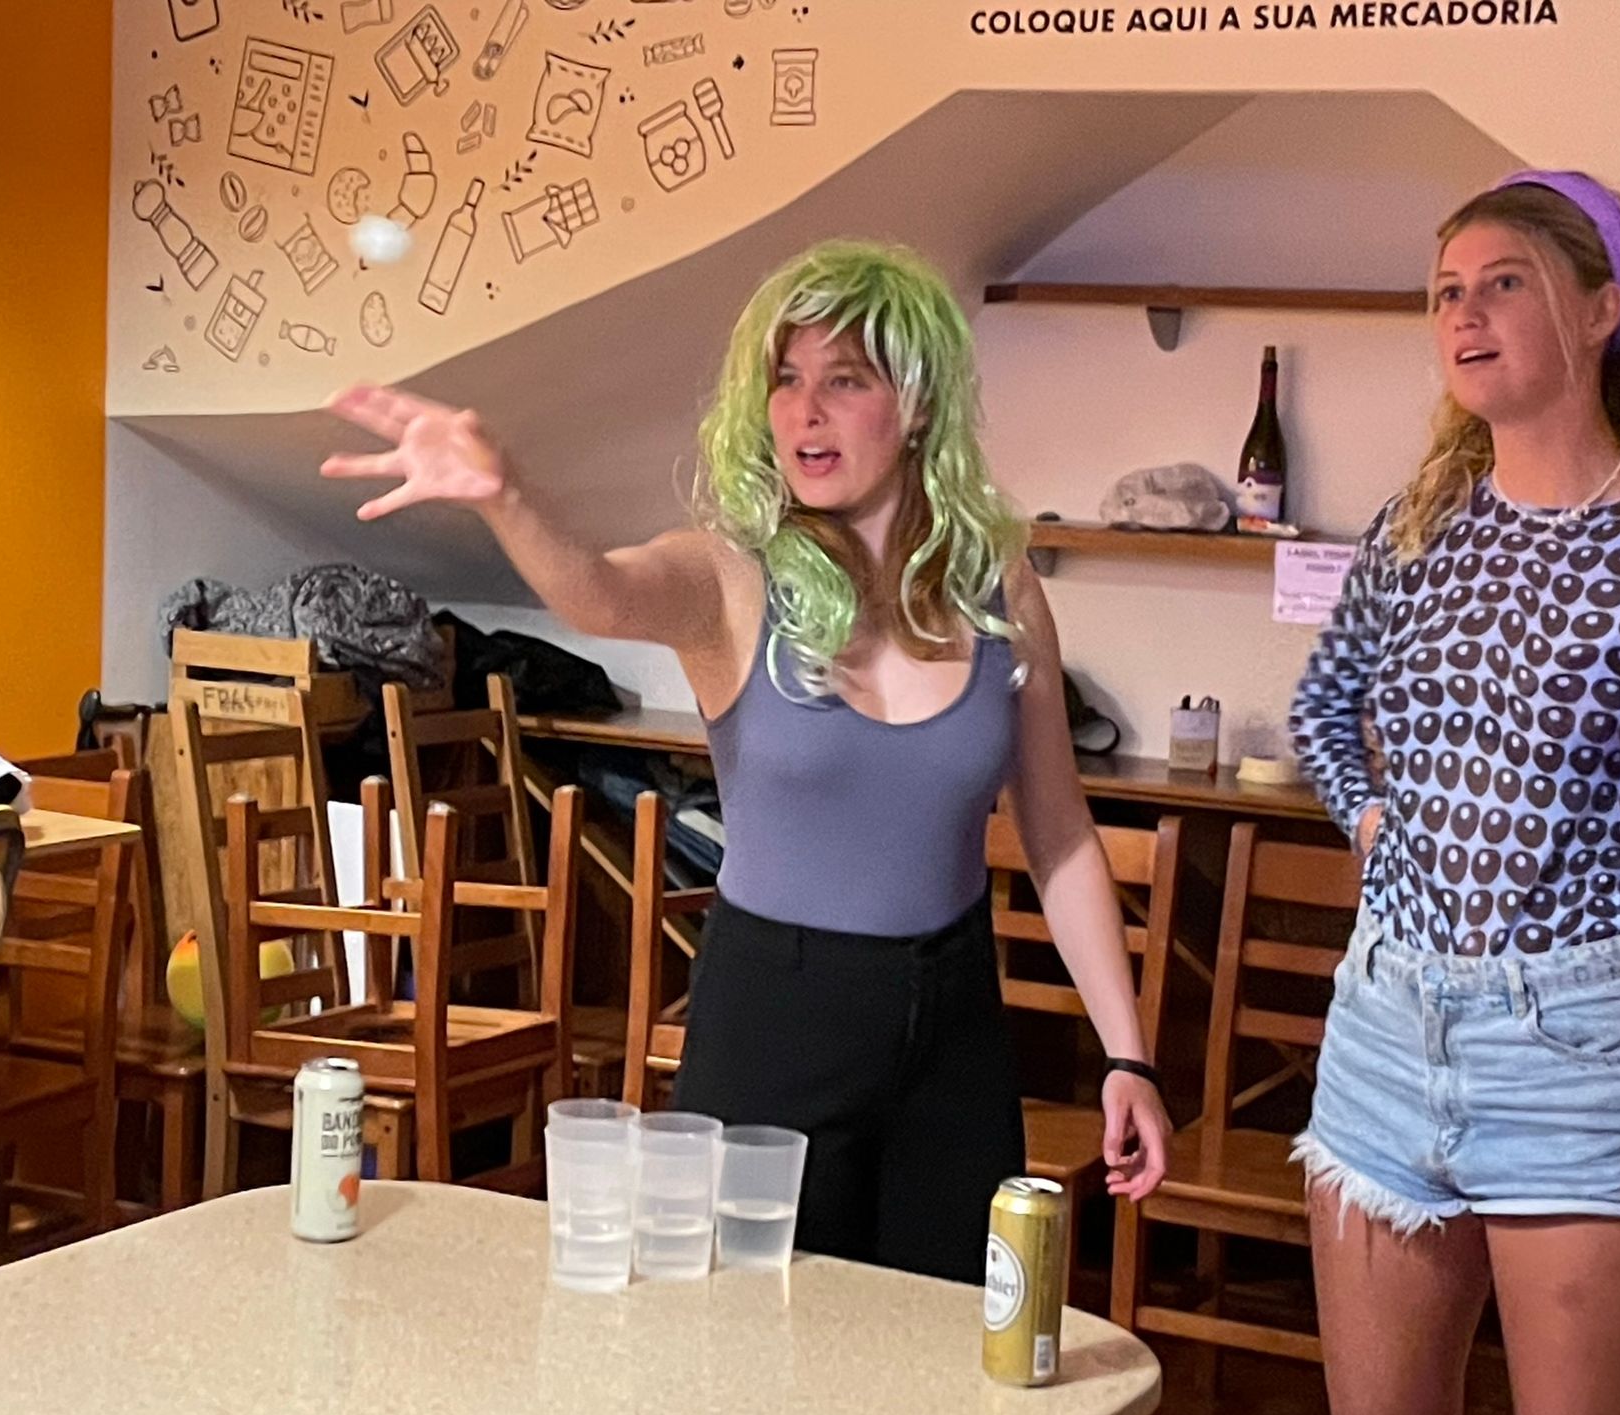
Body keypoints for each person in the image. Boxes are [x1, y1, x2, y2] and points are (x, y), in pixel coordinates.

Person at [323, 240, 1170, 1284]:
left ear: (914, 406)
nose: (805, 410)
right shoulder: (730, 572)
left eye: (844, 380)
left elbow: (1060, 832)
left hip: (952, 1024)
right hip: (775, 1016)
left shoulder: (997, 586)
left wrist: (1127, 1054)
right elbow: (595, 589)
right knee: (751, 1362)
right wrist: (507, 497)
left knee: (944, 1361)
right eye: (786, 378)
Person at [1290, 170, 1620, 1415]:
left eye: (1505, 284)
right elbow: (1323, 707)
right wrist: (1375, 823)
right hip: (1386, 1029)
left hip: (1583, 1049)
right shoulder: (1420, 524)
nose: (1466, 314)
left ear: (1602, 308)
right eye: (1447, 292)